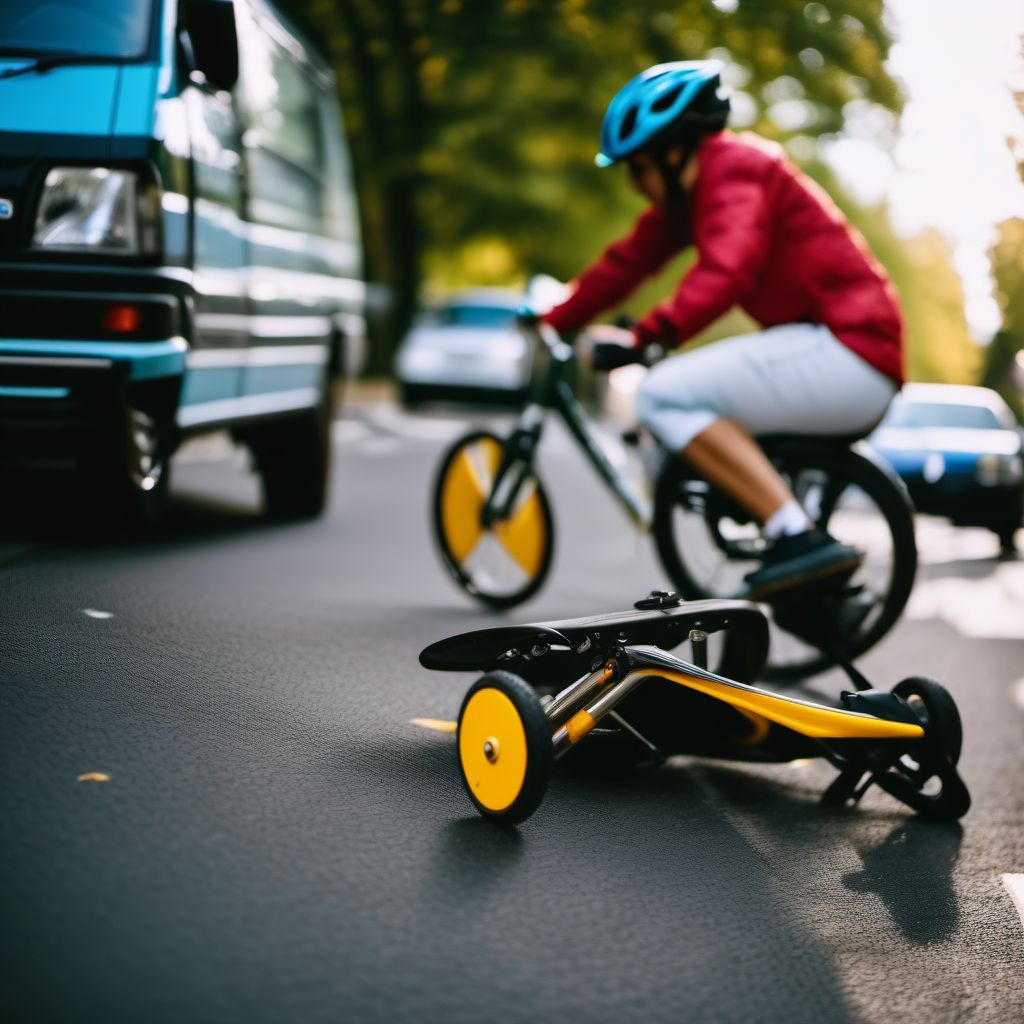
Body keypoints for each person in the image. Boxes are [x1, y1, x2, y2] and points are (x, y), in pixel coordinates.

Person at [543, 60, 903, 598]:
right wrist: (554, 317)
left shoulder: (734, 168)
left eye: (637, 168)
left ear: (672, 151)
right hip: (836, 354)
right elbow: (627, 262)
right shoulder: (693, 199)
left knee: (663, 393)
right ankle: (812, 580)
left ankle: (794, 536)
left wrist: (646, 335)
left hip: (850, 354)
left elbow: (727, 268)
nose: (636, 184)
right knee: (689, 396)